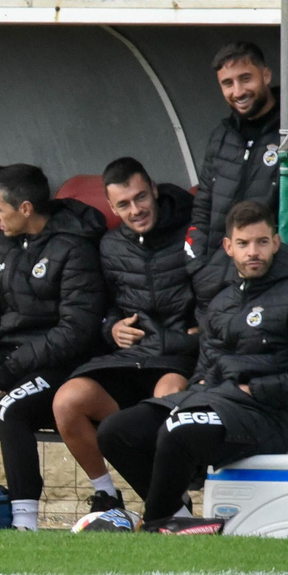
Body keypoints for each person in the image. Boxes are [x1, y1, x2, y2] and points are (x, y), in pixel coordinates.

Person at [98, 201, 288, 524]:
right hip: (215, 401)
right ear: (229, 247)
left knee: (177, 430)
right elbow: (206, 366)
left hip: (266, 416)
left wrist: (257, 389)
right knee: (115, 430)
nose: (253, 251)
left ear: (276, 243)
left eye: (262, 242)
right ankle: (177, 515)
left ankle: (154, 527)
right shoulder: (221, 302)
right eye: (243, 243)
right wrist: (199, 386)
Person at [0, 164, 105, 531]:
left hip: (58, 363)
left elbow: (77, 329)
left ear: (26, 208)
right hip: (2, 362)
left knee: (10, 408)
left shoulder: (74, 249)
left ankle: (24, 521)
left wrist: (11, 368)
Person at [53, 158, 197, 517]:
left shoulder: (194, 234)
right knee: (68, 401)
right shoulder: (109, 246)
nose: (135, 210)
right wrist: (112, 327)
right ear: (111, 207)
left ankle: (170, 500)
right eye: (123, 204)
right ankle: (107, 496)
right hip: (128, 358)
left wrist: (198, 331)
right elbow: (102, 307)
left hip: (178, 357)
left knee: (167, 400)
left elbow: (216, 297)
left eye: (140, 198)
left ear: (154, 190)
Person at [187, 42, 284, 310]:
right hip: (216, 287)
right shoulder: (221, 136)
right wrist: (198, 267)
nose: (238, 91)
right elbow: (203, 208)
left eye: (245, 79)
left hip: (271, 283)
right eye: (227, 83)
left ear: (265, 75)